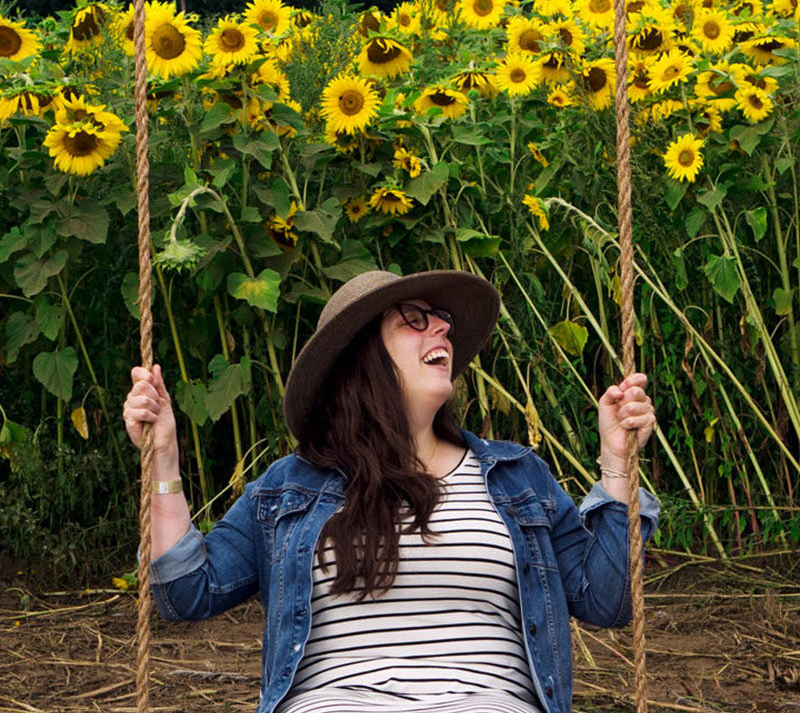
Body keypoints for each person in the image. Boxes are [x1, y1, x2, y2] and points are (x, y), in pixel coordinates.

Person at [123, 269, 658, 713]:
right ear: (363, 355)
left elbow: (609, 601)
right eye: (416, 322)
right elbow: (187, 593)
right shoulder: (292, 484)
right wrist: (164, 458)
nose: (443, 333)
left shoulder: (518, 476)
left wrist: (617, 462)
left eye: (444, 324)